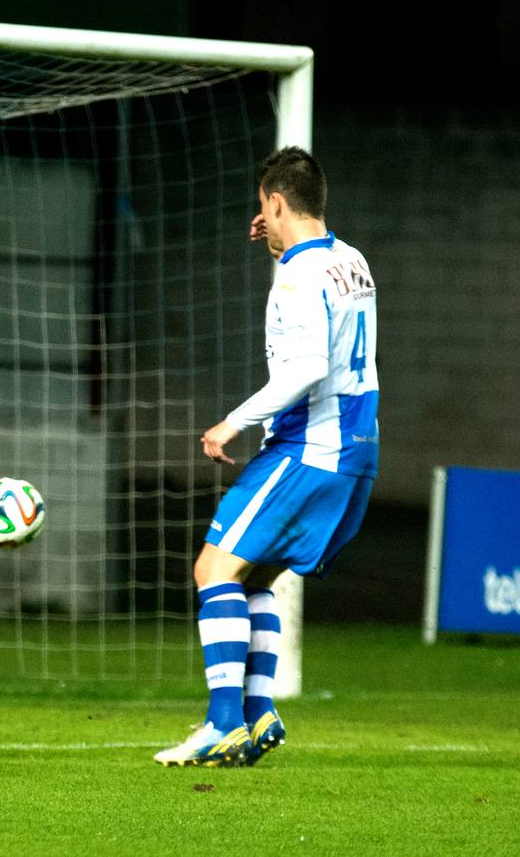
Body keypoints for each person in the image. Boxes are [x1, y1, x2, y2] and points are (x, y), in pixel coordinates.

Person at [154, 147, 379, 768]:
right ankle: (258, 714)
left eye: (264, 207)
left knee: (212, 571)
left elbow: (306, 365)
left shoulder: (298, 277)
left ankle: (221, 722)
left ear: (275, 202)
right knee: (256, 575)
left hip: (308, 448)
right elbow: (322, 318)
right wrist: (279, 248)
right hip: (358, 450)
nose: (262, 218)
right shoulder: (350, 260)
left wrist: (232, 422)